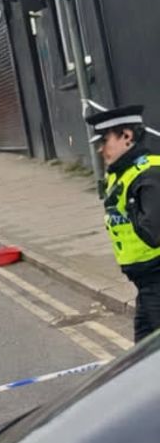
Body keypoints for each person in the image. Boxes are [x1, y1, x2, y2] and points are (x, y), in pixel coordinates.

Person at [93, 106, 160, 342]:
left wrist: (131, 206)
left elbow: (154, 232)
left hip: (156, 277)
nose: (101, 148)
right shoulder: (120, 173)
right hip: (145, 282)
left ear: (127, 136)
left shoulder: (149, 172)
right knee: (141, 356)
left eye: (105, 140)